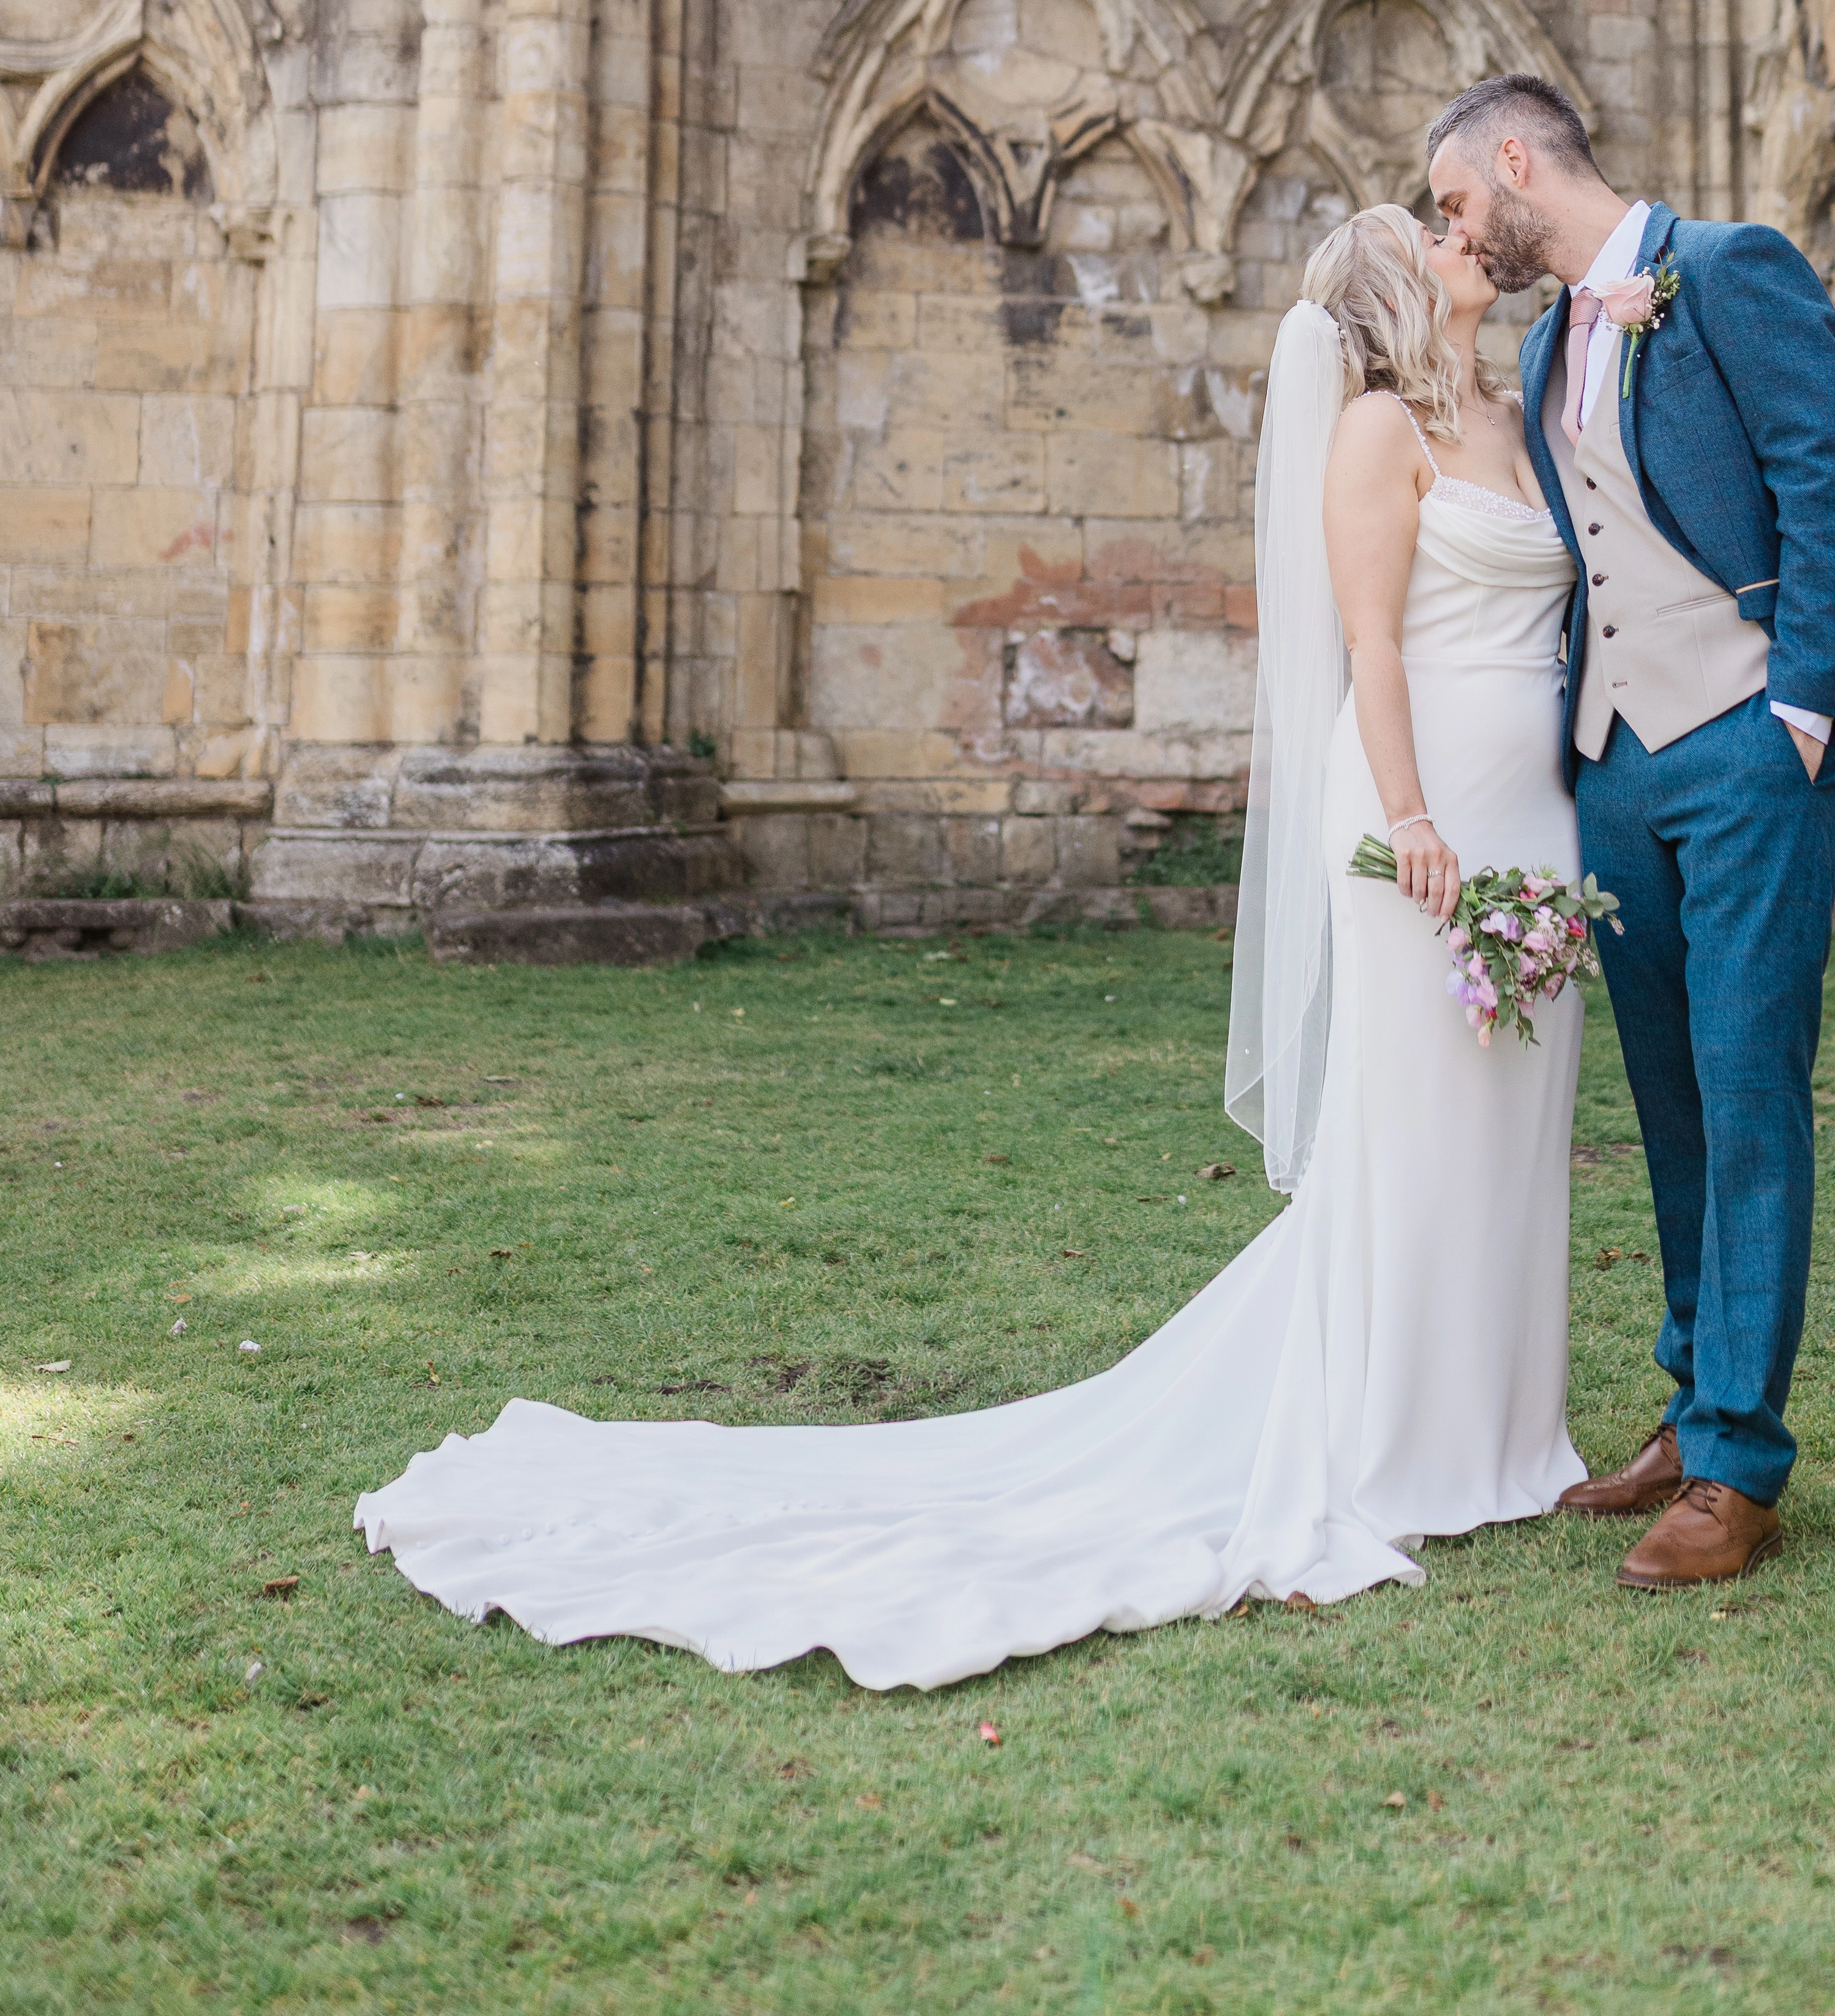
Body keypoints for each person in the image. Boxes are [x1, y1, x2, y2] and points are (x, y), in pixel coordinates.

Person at [356, 206, 1589, 1687]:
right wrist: (1408, 811)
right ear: (1393, 290)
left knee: (1511, 1120)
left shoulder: (1518, 411)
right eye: (1433, 232)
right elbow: (1372, 645)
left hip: (1534, 820)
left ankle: (1505, 1432)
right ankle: (1400, 1444)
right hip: (1419, 815)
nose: (1465, 239)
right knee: (1414, 1125)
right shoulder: (1377, 433)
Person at [1425, 73, 1835, 1591]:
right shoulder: (1535, 349)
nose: (1456, 227)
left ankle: (1737, 1467)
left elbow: (1830, 484)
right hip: (1617, 768)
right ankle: (1682, 1406)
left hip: (1747, 746)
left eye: (1456, 200)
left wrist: (1796, 710)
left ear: (1514, 162)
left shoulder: (1726, 271)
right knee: (1665, 1100)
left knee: (1747, 1086)